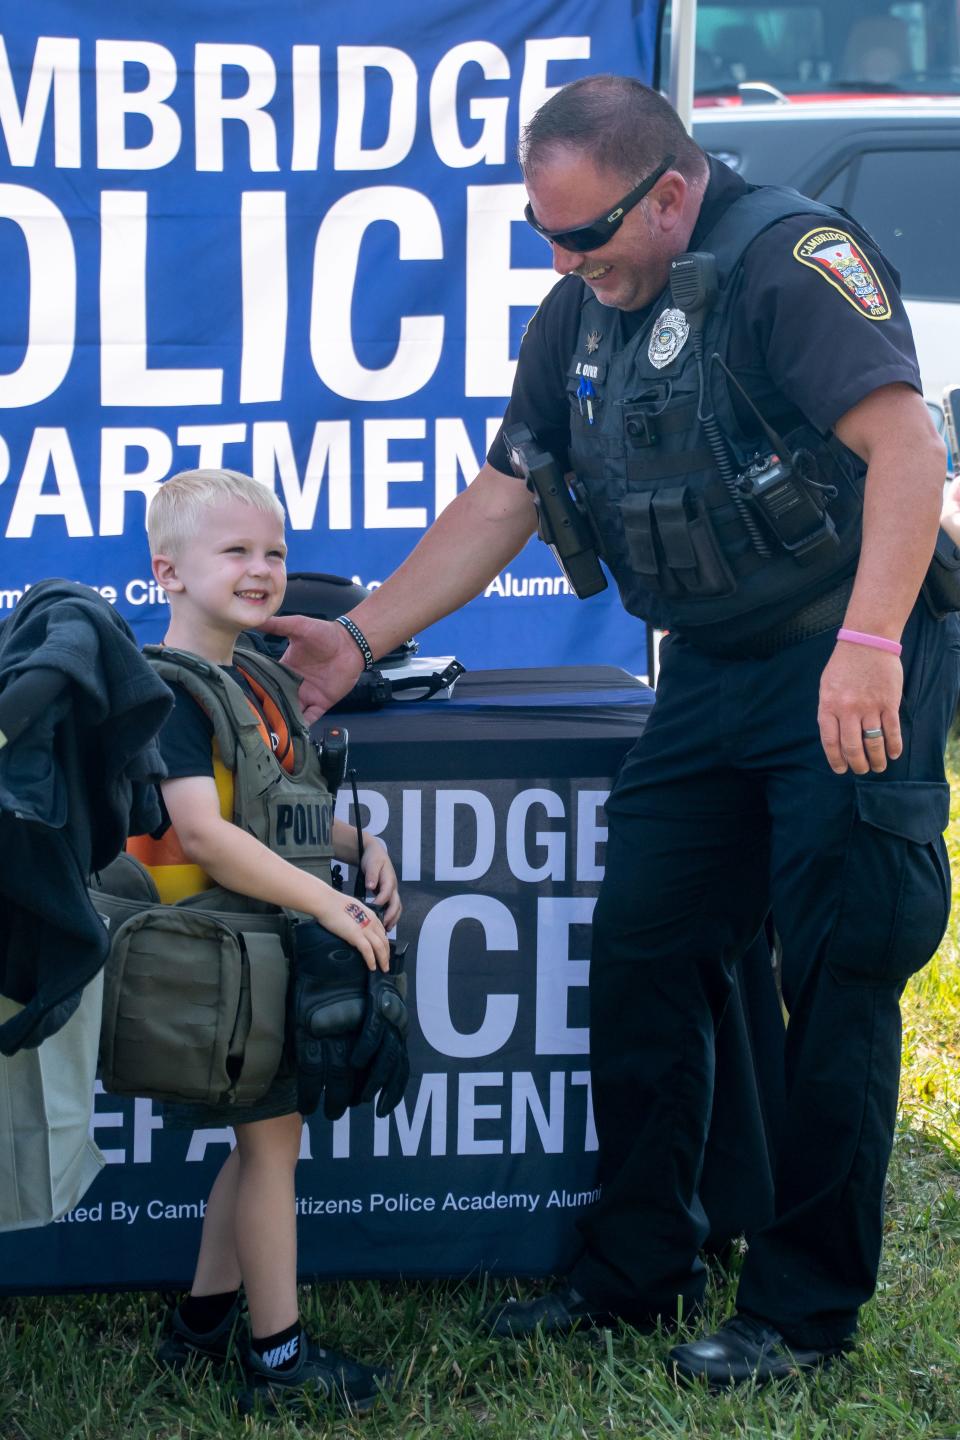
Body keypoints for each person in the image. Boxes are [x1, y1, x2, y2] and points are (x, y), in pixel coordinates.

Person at [261, 77, 958, 1385]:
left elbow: (908, 448)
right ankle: (640, 1267)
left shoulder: (788, 262)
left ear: (674, 191)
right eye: (545, 234)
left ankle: (803, 1317)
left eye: (584, 234)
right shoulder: (584, 310)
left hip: (846, 648)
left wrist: (870, 644)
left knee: (842, 978)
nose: (565, 259)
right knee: (640, 953)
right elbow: (505, 492)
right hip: (710, 671)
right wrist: (360, 638)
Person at [131, 468, 401, 1413]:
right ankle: (277, 1362)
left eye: (275, 552)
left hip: (260, 946)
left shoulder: (253, 679)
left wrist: (356, 845)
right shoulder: (164, 691)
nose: (262, 569)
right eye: (236, 552)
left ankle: (200, 1325)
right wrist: (330, 907)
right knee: (272, 1148)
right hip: (213, 954)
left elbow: (273, 815)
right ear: (167, 571)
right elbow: (203, 833)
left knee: (263, 1143)